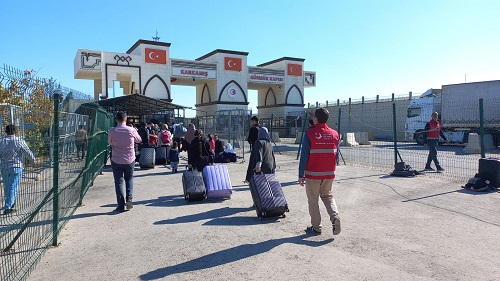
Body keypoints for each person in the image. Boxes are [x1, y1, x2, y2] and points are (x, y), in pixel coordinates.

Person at [298, 108, 341, 236]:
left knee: (313, 200)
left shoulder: (309, 134)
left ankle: (317, 227)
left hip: (313, 174)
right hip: (329, 173)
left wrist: (301, 175)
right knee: (327, 196)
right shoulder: (334, 134)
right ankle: (334, 217)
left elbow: (304, 156)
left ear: (316, 118)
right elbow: (336, 156)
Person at [108, 112, 142, 212]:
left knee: (118, 182)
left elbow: (109, 142)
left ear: (116, 120)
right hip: (129, 159)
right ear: (126, 120)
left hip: (116, 159)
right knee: (129, 179)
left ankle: (120, 205)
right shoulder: (131, 130)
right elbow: (139, 140)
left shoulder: (112, 130)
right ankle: (129, 199)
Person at [0, 125, 36, 215]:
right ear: (15, 132)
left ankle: (9, 203)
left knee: (7, 186)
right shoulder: (19, 140)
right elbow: (27, 151)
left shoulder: (1, 141)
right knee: (13, 187)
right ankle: (8, 206)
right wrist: (33, 161)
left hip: (4, 167)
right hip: (16, 166)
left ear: (6, 132)